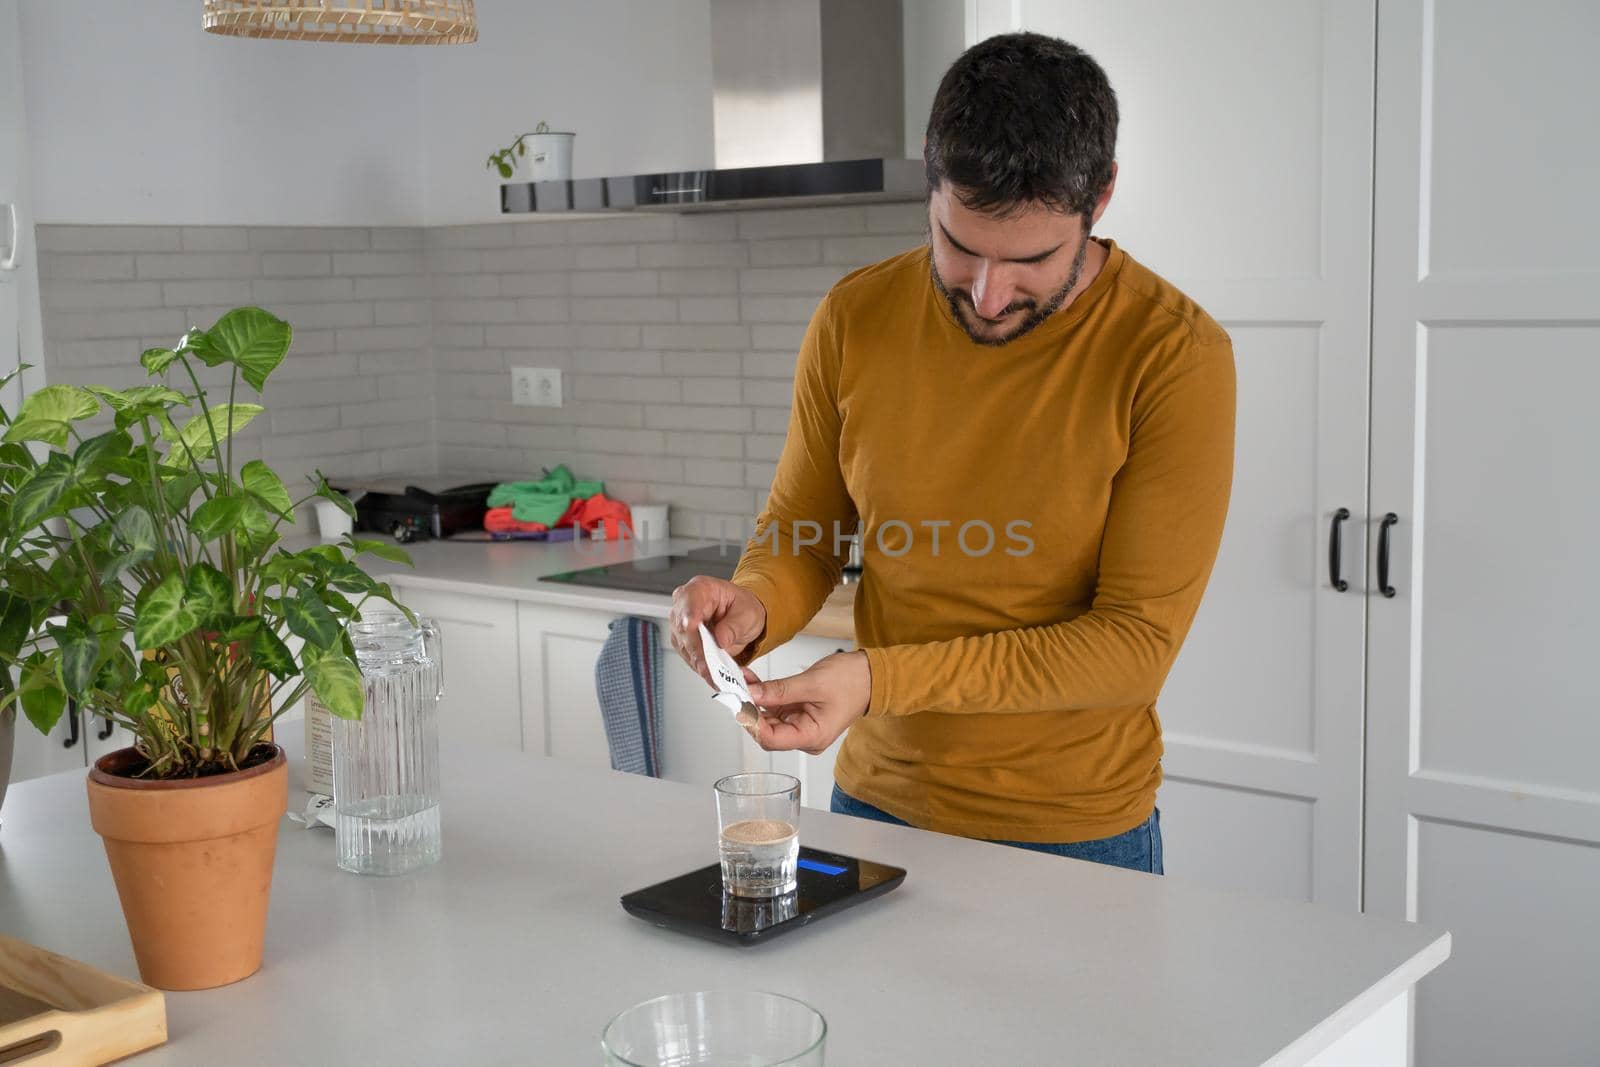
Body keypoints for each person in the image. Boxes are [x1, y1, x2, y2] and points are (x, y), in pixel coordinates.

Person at [669, 31, 1235, 874]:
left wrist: (877, 680)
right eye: (958, 245)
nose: (988, 293)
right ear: (932, 172)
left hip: (1076, 834)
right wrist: (754, 604)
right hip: (875, 808)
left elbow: (1131, 646)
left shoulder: (1173, 354)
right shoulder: (855, 317)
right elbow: (803, 529)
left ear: (1102, 196)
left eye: (1031, 259)